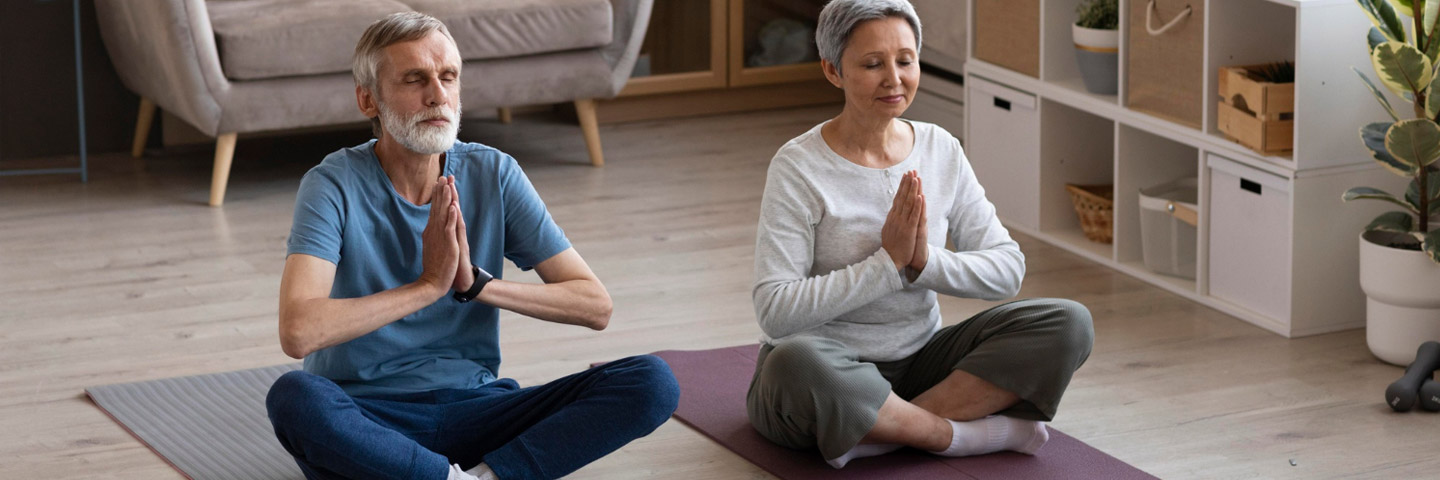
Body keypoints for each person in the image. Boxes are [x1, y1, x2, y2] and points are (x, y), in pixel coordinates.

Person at [263, 12, 679, 480]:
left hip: (480, 412)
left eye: (448, 77)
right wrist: (427, 286)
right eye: (415, 79)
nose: (438, 95)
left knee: (651, 381)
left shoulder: (494, 173)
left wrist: (475, 284)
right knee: (294, 398)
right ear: (368, 99)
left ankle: (476, 476)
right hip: (370, 423)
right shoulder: (331, 184)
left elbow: (594, 305)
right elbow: (297, 332)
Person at [747, 0, 1095, 469]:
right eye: (872, 64)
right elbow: (775, 312)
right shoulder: (799, 167)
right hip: (829, 370)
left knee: (1069, 322)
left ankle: (886, 429)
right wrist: (886, 267)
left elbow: (1006, 269)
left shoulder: (939, 148)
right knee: (793, 360)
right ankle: (955, 435)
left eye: (905, 60)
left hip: (922, 365)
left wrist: (922, 262)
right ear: (833, 71)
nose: (894, 78)